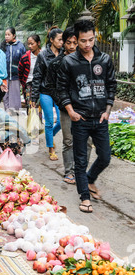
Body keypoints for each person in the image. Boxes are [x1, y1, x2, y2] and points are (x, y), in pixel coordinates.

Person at [57, 19, 117, 213]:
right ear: (76, 39)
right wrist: (71, 112)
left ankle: (90, 179)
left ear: (95, 37)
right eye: (83, 41)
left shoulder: (105, 60)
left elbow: (111, 86)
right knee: (80, 160)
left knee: (105, 156)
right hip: (80, 118)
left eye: (91, 40)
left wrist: (107, 111)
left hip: (100, 118)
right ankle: (84, 197)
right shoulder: (69, 62)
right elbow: (62, 89)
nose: (87, 44)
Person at [46, 26, 93, 184]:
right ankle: (69, 171)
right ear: (63, 43)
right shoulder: (56, 64)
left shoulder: (87, 61)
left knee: (87, 141)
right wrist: (62, 103)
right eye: (68, 42)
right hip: (66, 109)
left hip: (86, 107)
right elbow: (51, 86)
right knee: (69, 140)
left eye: (75, 42)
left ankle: (82, 171)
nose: (72, 46)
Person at [31, 26, 63, 161]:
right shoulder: (43, 55)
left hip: (61, 92)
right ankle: (51, 148)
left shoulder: (65, 54)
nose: (62, 42)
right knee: (49, 121)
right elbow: (37, 76)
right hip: (45, 92)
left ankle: (50, 135)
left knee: (61, 121)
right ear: (51, 40)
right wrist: (34, 96)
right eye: (60, 39)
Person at [0, 27, 26, 112]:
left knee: (15, 96)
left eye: (9, 35)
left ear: (14, 35)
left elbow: (24, 60)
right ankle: (7, 113)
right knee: (5, 96)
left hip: (16, 76)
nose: (6, 36)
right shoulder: (3, 46)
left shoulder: (20, 46)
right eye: (5, 35)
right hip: (5, 75)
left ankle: (15, 114)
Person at [18, 34, 41, 111]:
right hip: (29, 84)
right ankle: (32, 122)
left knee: (39, 107)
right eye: (28, 44)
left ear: (38, 43)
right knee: (31, 106)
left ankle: (38, 122)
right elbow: (20, 72)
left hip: (41, 85)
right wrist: (24, 83)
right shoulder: (25, 57)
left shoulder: (43, 56)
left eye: (32, 44)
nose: (30, 46)